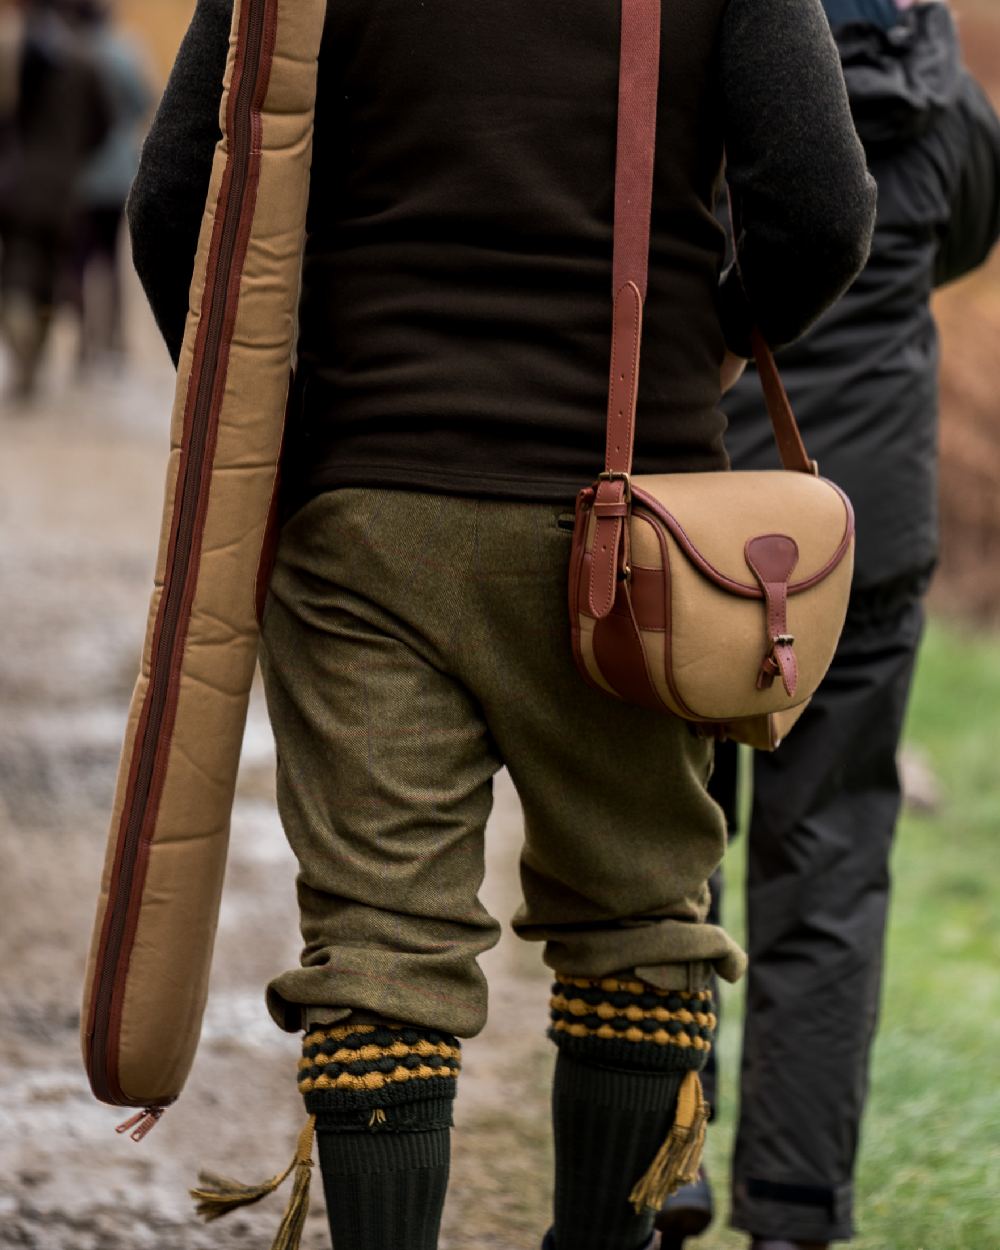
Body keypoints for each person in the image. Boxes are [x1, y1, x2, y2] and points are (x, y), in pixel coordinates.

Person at [125, 1, 875, 1247]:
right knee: (639, 917)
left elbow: (174, 206)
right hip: (632, 533)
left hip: (366, 517)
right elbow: (823, 216)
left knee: (379, 944)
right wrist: (703, 341)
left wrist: (294, 410)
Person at [656, 3, 1000, 1248]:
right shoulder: (941, 85)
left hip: (694, 518)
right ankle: (796, 1206)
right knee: (834, 863)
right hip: (865, 533)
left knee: (664, 848)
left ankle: (660, 1163)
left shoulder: (684, 59)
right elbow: (961, 235)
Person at [0, 0, 109, 402]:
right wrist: (74, 155)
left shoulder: (17, 52)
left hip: (18, 182)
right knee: (49, 273)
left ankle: (20, 337)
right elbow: (104, 123)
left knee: (18, 267)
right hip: (66, 189)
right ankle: (34, 353)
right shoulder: (86, 59)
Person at [69, 0, 152, 370]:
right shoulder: (124, 51)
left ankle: (84, 339)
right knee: (113, 258)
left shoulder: (71, 53)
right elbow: (143, 101)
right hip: (118, 170)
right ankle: (115, 340)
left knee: (79, 260)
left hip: (80, 174)